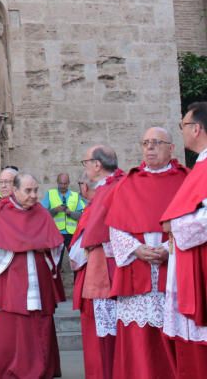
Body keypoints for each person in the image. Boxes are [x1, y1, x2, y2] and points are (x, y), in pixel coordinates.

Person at [105, 126, 188, 379]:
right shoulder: (128, 183)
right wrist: (136, 249)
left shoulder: (186, 180)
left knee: (174, 334)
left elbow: (194, 222)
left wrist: (167, 249)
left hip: (174, 268)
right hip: (136, 268)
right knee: (138, 339)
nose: (149, 147)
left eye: (156, 142)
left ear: (171, 148)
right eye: (145, 143)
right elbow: (115, 228)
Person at [0, 173, 66, 379]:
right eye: (28, 191)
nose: (34, 195)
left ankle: (42, 367)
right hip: (12, 275)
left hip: (38, 273)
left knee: (40, 321)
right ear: (15, 191)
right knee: (13, 324)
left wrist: (41, 246)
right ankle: (11, 368)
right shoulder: (0, 212)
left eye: (36, 190)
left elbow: (56, 243)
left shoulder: (42, 213)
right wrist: (20, 246)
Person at [69, 145, 124, 379]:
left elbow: (95, 237)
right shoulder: (107, 190)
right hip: (100, 268)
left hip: (106, 272)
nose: (86, 167)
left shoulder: (110, 190)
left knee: (108, 341)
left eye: (86, 162)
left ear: (97, 165)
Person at [162, 102, 207, 373]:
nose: (182, 132)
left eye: (183, 126)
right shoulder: (199, 166)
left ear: (197, 128)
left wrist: (175, 227)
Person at [42, 172, 86, 257]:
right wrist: (55, 210)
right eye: (61, 183)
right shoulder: (50, 194)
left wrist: (70, 213)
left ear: (69, 183)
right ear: (57, 182)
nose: (63, 186)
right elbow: (42, 215)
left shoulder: (75, 196)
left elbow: (82, 216)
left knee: (75, 258)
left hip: (72, 233)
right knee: (56, 260)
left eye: (65, 184)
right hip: (55, 233)